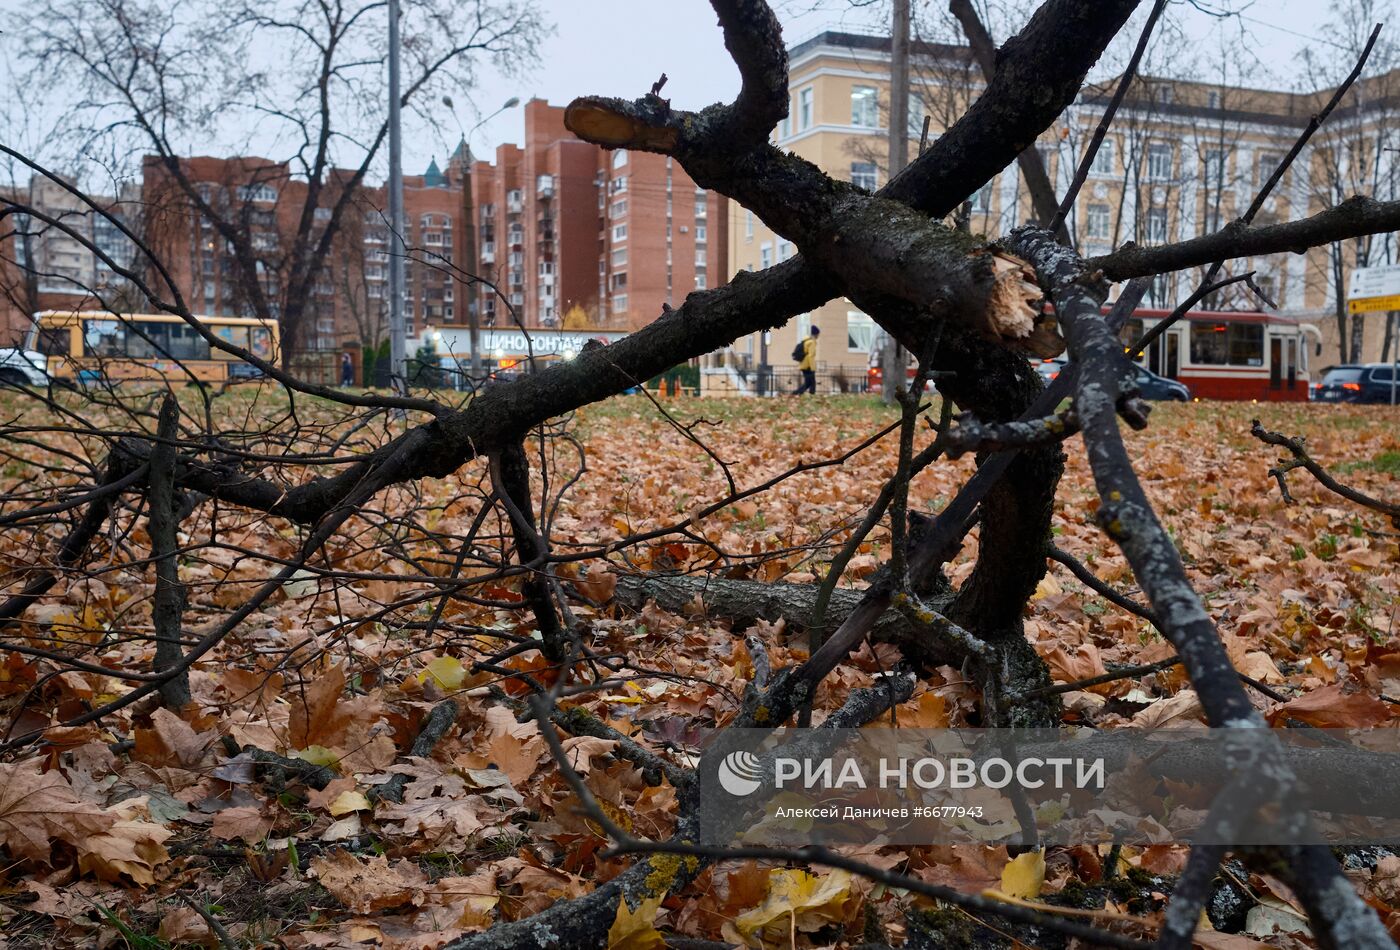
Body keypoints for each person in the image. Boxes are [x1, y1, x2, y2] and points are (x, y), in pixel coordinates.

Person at [793, 325, 820, 395]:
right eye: (818, 334)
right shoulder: (812, 342)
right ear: (816, 334)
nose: (818, 336)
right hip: (808, 365)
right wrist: (812, 368)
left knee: (808, 383)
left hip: (804, 365)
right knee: (812, 383)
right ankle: (797, 393)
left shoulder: (806, 340)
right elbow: (811, 355)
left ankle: (797, 393)